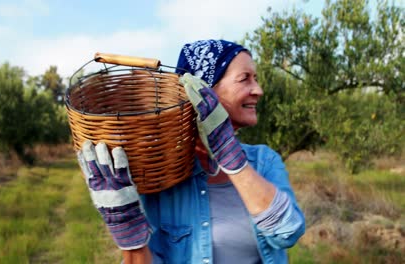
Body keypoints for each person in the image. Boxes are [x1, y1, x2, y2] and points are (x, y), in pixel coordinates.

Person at [77, 39, 305, 264]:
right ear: (203, 91)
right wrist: (131, 240)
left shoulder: (264, 161)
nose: (258, 90)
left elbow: (288, 231)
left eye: (255, 79)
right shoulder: (162, 176)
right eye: (245, 79)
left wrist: (230, 156)